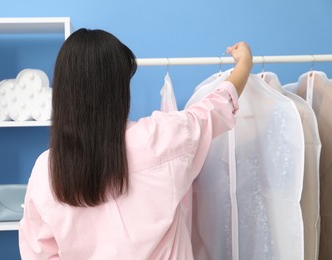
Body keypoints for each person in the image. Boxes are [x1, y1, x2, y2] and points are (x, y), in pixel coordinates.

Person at [18, 28, 253, 259]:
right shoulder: (162, 137)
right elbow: (217, 105)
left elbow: (39, 253)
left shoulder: (45, 171)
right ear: (118, 90)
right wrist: (244, 63)